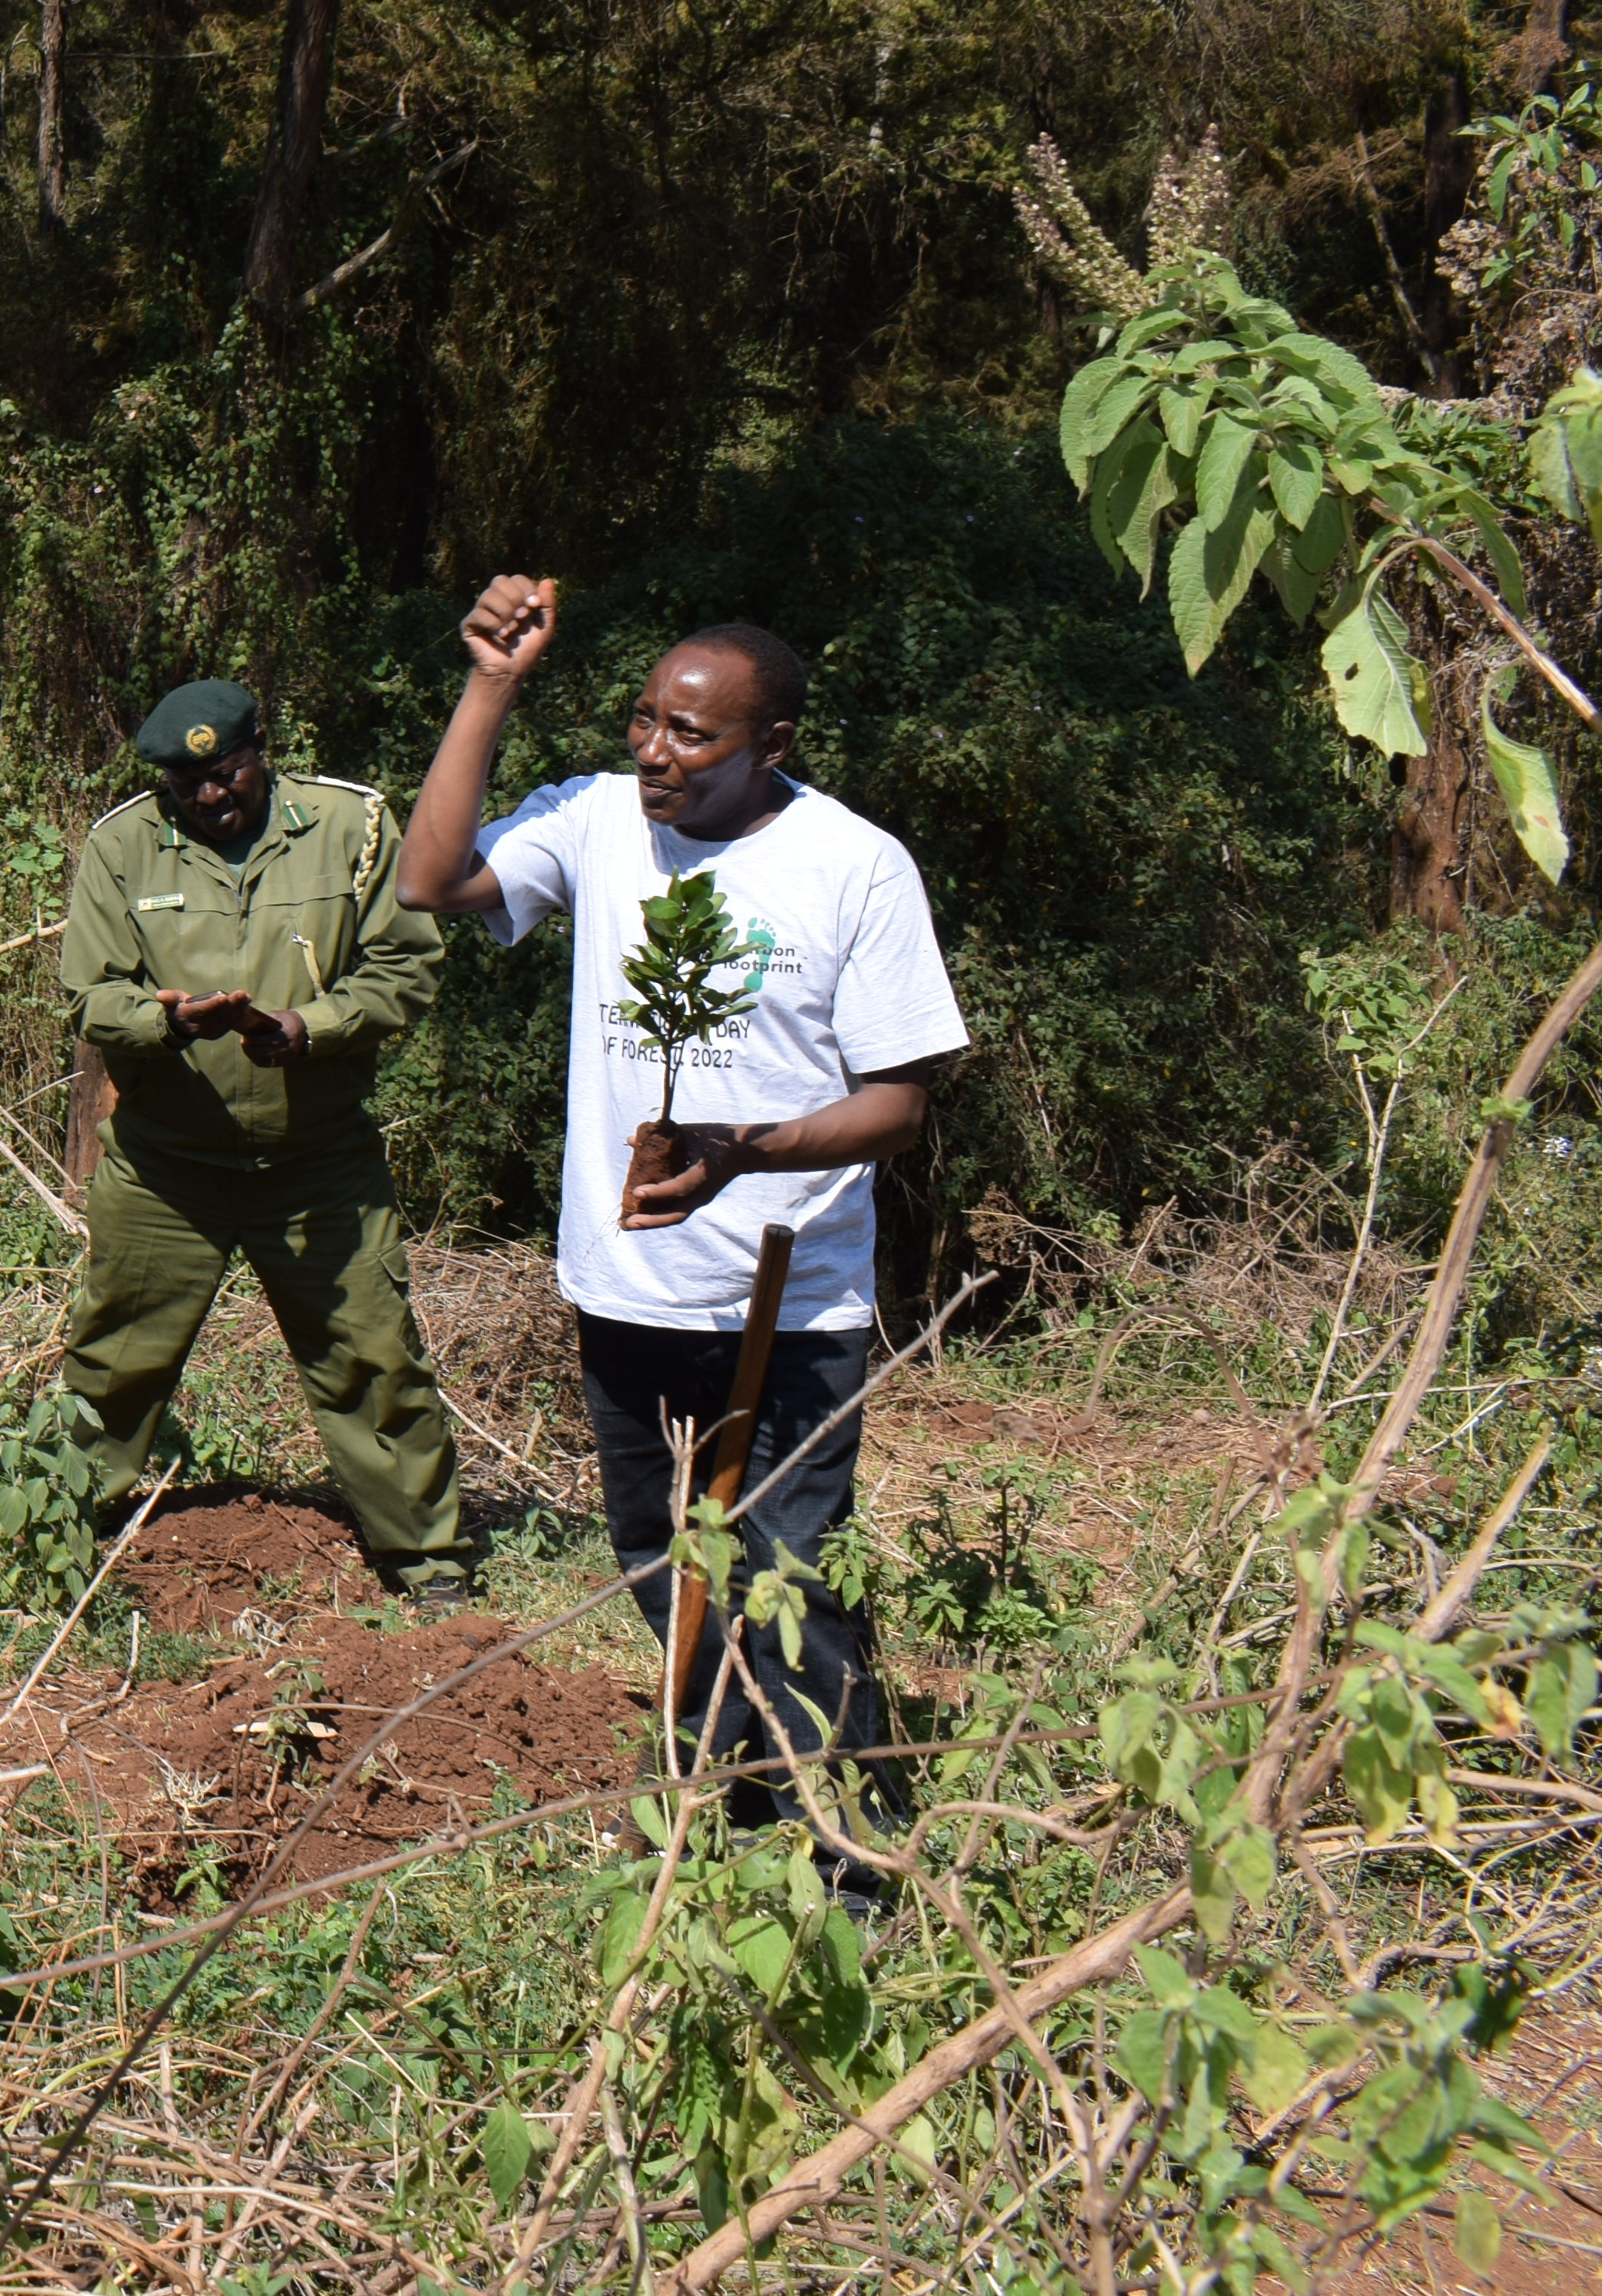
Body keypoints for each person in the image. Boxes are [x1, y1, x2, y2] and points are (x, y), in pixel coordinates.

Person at [395, 584, 967, 1864]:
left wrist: (740, 1154)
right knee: (665, 1566)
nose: (657, 751)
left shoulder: (853, 865)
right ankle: (739, 1811)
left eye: (694, 736)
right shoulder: (598, 821)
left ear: (773, 746)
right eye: (646, 722)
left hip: (787, 1297)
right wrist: (491, 683)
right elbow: (432, 879)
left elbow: (898, 1107)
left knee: (795, 1581)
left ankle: (852, 1853)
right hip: (626, 1293)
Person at [58, 679, 471, 1597]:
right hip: (168, 1165)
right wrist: (167, 1019)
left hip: (319, 1158)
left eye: (227, 772)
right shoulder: (123, 845)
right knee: (113, 1361)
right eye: (187, 781)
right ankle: (61, 1540)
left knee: (373, 1359)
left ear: (261, 751)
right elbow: (92, 994)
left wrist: (313, 1027)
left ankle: (429, 1563)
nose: (210, 796)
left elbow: (406, 967)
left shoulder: (351, 827)